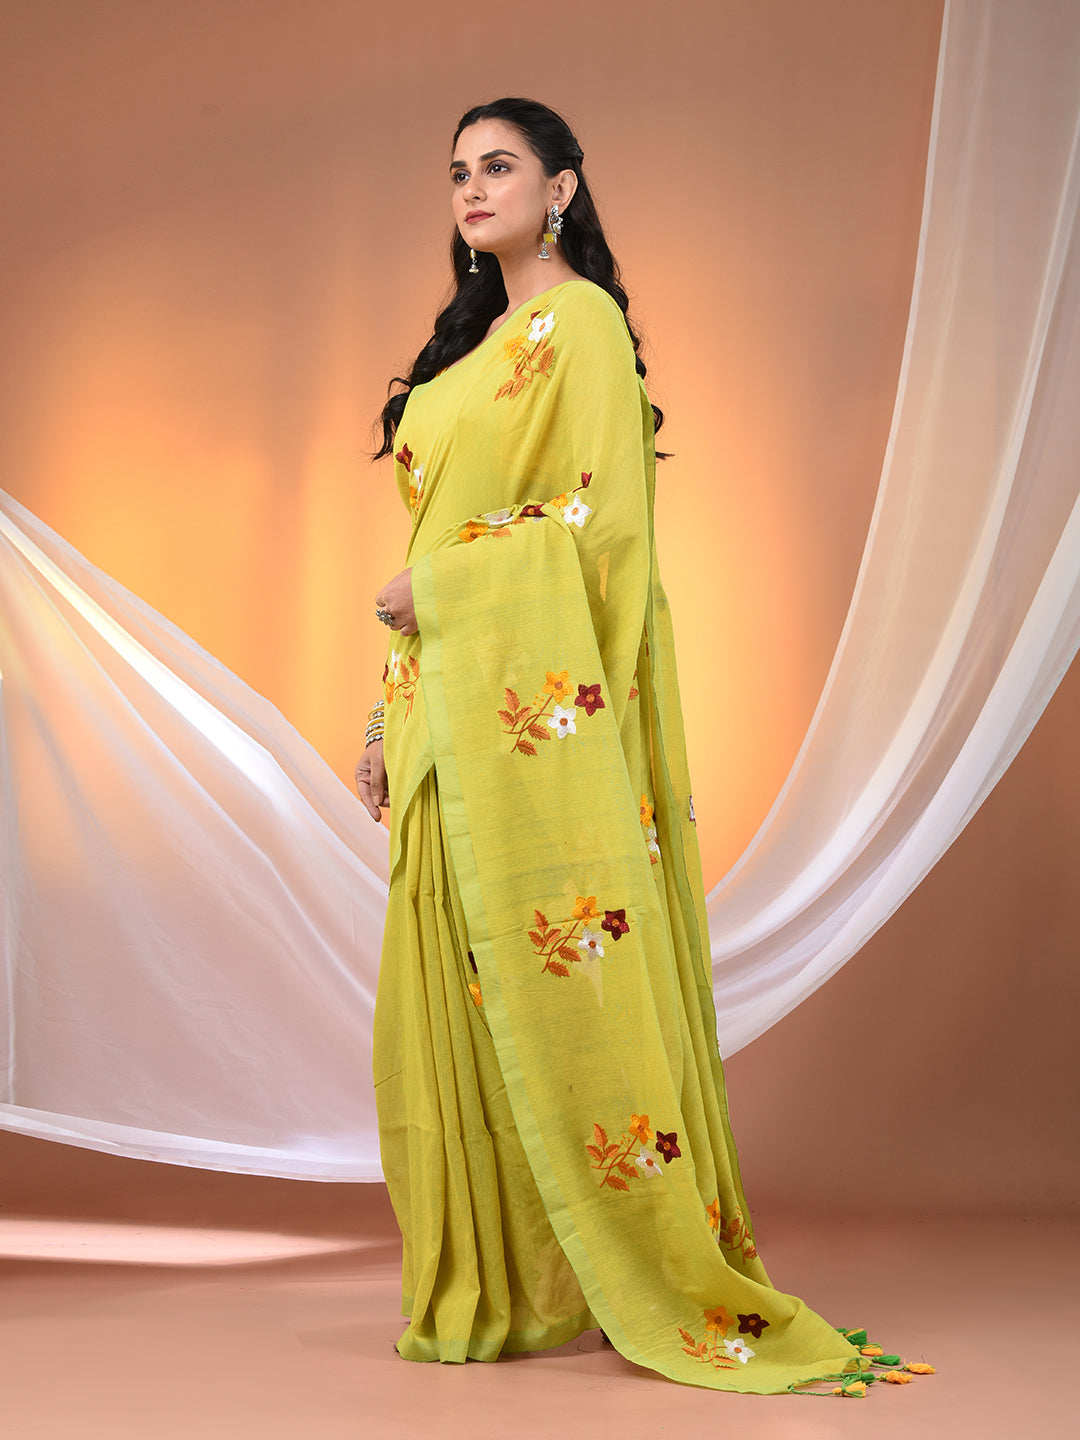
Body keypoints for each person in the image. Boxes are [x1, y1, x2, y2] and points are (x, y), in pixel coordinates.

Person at [354, 98, 867, 1395]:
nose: (474, 189)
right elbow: (438, 536)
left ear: (563, 189)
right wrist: (380, 714)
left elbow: (597, 528)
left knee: (550, 972)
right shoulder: (469, 350)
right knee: (447, 998)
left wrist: (445, 592)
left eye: (501, 166)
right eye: (458, 172)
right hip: (439, 702)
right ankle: (506, 1284)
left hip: (519, 702)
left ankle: (602, 1272)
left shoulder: (577, 323)